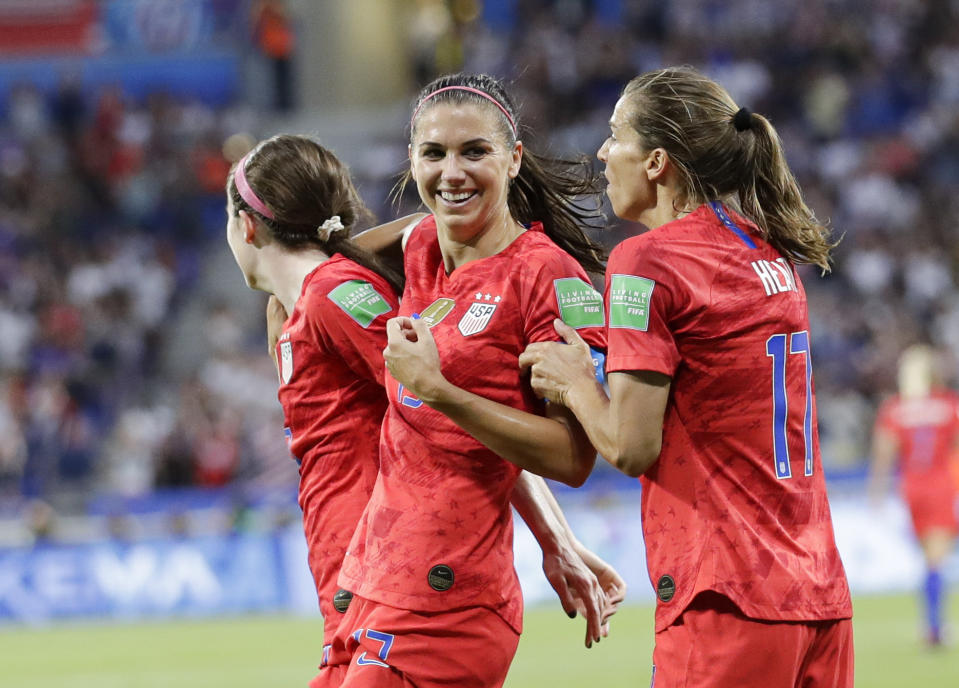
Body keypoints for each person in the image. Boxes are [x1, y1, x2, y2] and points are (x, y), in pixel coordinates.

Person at [225, 133, 623, 687]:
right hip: (360, 581)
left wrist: (556, 538)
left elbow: (448, 418)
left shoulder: (336, 297)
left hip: (409, 582)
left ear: (245, 226)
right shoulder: (291, 313)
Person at [519, 66, 854, 687]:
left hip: (725, 596)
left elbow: (629, 445)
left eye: (615, 135)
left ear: (656, 162)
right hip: (820, 596)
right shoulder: (769, 252)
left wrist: (575, 382)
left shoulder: (645, 259)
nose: (601, 152)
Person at [326, 73, 621, 688]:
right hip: (378, 581)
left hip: (449, 600)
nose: (451, 171)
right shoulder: (417, 246)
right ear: (411, 160)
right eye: (433, 154)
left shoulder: (547, 277)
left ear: (513, 159)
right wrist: (553, 538)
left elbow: (573, 455)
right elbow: (326, 273)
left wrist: (441, 391)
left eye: (474, 152)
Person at [869, 344, 959, 647]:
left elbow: (884, 453)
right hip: (940, 486)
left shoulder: (894, 408)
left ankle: (931, 624)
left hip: (911, 488)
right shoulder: (949, 405)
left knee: (928, 559)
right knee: (936, 560)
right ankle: (934, 627)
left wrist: (877, 492)